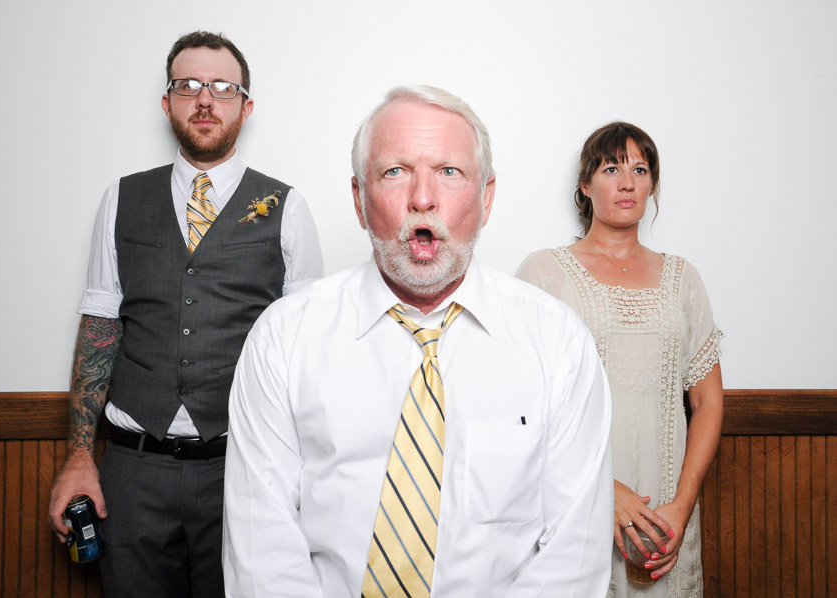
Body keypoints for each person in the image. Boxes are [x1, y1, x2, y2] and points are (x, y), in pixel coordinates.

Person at [222, 85, 614, 598]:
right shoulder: (283, 339)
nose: (422, 198)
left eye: (449, 172)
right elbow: (262, 550)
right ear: (360, 200)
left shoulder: (558, 344)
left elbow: (574, 556)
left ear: (487, 196)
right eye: (394, 172)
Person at [47, 31, 323, 598]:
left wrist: (304, 476)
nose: (205, 99)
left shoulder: (288, 207)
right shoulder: (122, 198)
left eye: (222, 87)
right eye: (188, 85)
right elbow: (100, 324)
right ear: (167, 102)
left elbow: (308, 351)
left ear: (245, 106)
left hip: (242, 471)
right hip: (133, 470)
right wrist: (79, 457)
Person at [516, 122, 723, 597]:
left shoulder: (682, 277)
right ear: (585, 186)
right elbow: (525, 408)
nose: (627, 181)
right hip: (575, 502)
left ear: (652, 185)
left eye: (640, 169)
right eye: (611, 168)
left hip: (668, 512)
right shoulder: (543, 273)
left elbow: (708, 402)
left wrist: (682, 506)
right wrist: (602, 490)